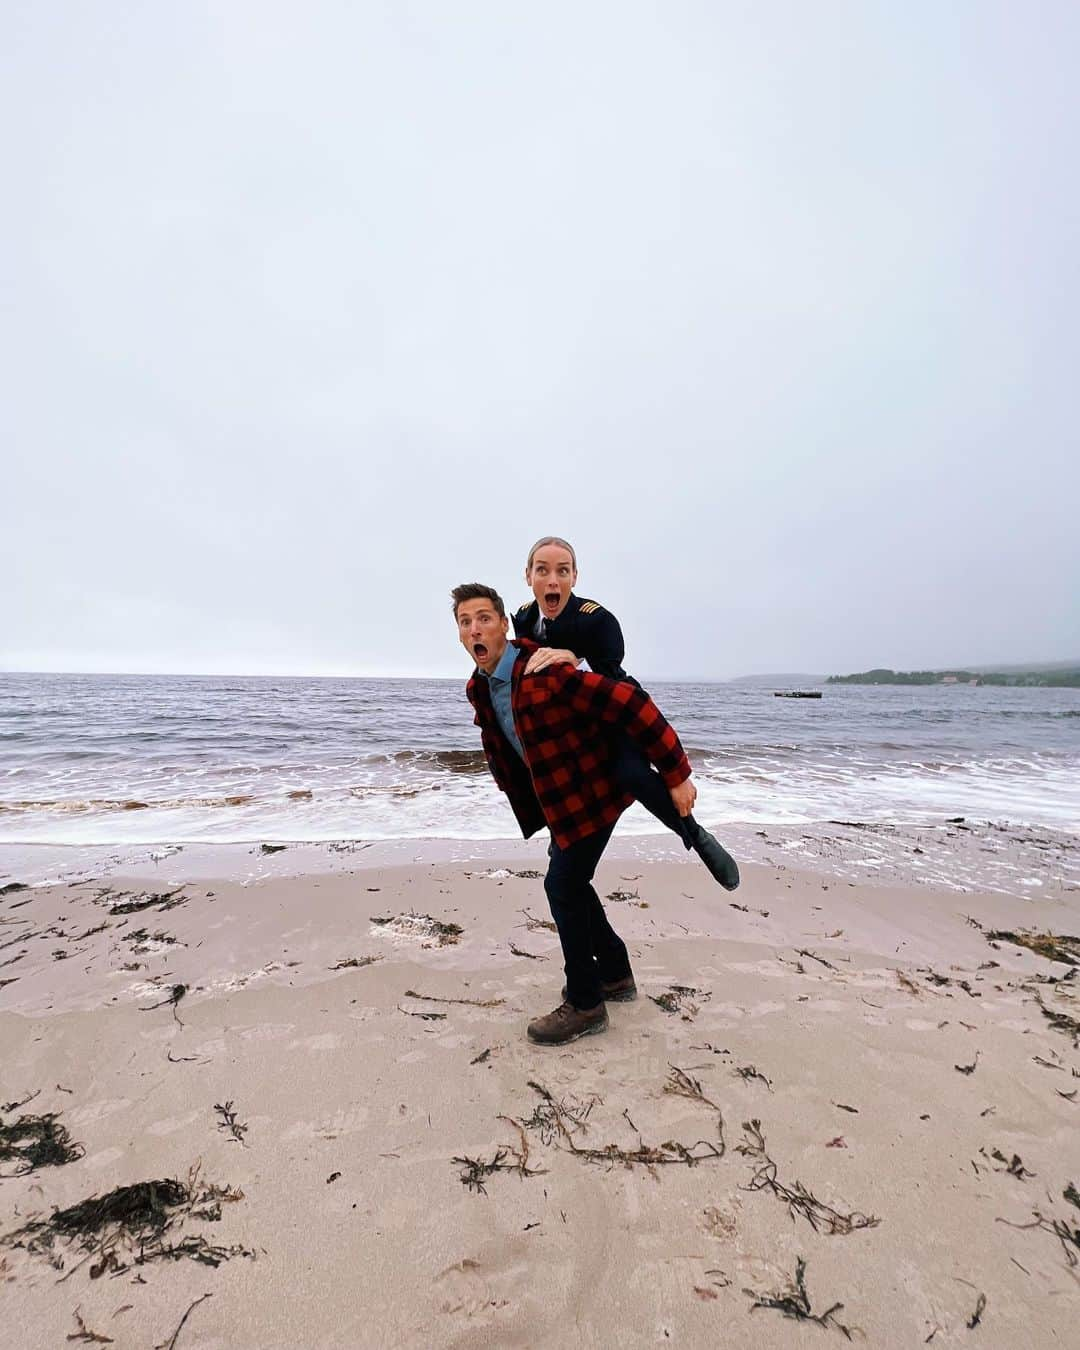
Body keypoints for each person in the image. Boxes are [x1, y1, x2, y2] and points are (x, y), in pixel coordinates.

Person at [454, 581, 697, 1046]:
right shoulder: (479, 687)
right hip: (562, 800)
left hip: (597, 793)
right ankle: (616, 974)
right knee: (572, 883)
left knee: (561, 884)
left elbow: (631, 702)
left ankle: (586, 1003)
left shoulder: (545, 672)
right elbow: (506, 746)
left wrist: (677, 773)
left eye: (484, 618)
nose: (475, 628)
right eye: (466, 622)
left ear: (504, 625)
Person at [512, 535, 739, 891]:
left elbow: (613, 683)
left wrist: (573, 658)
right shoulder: (524, 617)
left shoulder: (598, 620)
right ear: (528, 576)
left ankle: (695, 834)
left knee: (629, 773)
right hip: (575, 720)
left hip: (615, 710)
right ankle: (563, 837)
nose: (552, 580)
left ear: (575, 577)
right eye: (542, 570)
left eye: (563, 571)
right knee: (552, 769)